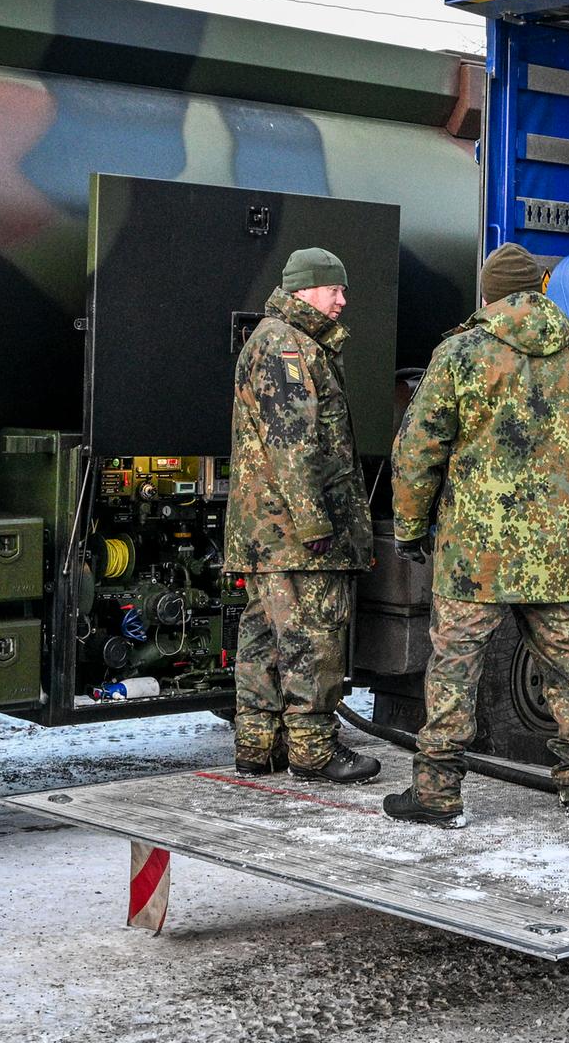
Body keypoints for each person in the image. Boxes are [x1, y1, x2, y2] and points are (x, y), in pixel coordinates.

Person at [384, 242, 569, 828]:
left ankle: (438, 796)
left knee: (453, 671)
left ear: (488, 294)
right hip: (555, 551)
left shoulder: (460, 353)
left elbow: (417, 449)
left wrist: (412, 526)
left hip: (475, 554)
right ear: (540, 292)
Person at [223, 247, 380, 784]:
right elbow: (293, 445)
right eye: (333, 289)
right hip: (294, 535)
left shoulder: (280, 341)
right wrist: (316, 524)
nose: (342, 300)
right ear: (303, 291)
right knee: (313, 636)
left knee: (266, 635)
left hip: (272, 533)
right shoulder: (287, 346)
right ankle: (312, 752)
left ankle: (257, 747)